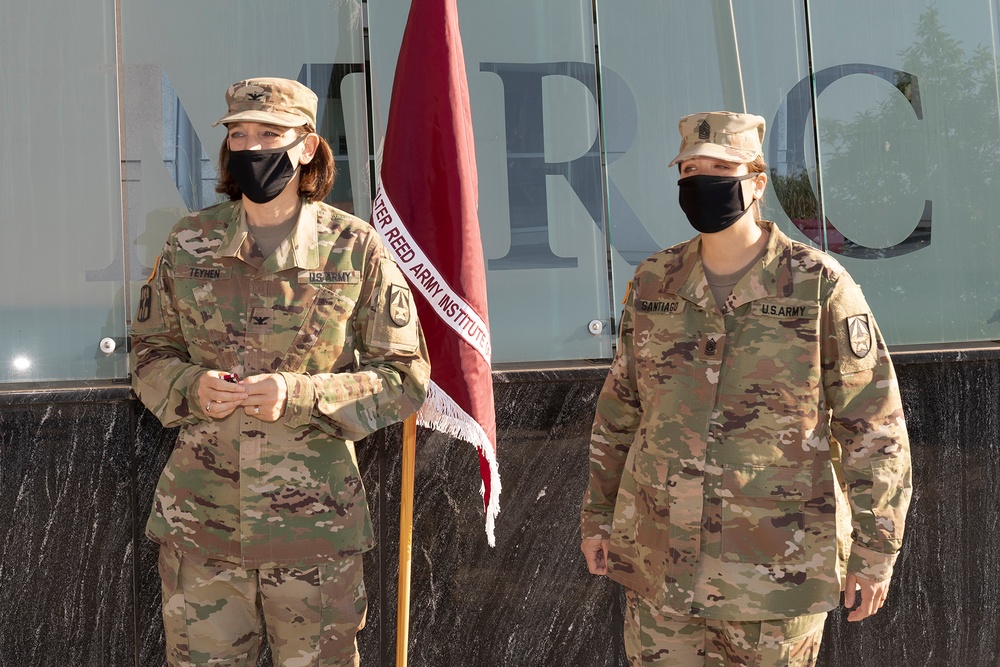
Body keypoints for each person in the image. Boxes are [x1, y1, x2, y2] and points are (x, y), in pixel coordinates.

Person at [580, 111, 911, 666]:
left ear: (756, 181)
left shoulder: (817, 284)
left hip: (774, 574)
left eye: (720, 167)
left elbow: (872, 424)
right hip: (663, 566)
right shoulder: (654, 283)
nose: (701, 180)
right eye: (689, 169)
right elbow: (620, 411)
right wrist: (597, 518)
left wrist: (876, 552)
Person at [131, 77, 430, 667]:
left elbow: (405, 377)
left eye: (270, 134)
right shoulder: (189, 243)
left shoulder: (355, 249)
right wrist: (192, 387)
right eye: (239, 135)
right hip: (203, 528)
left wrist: (297, 396)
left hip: (313, 534)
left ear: (308, 146)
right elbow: (148, 355)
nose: (252, 148)